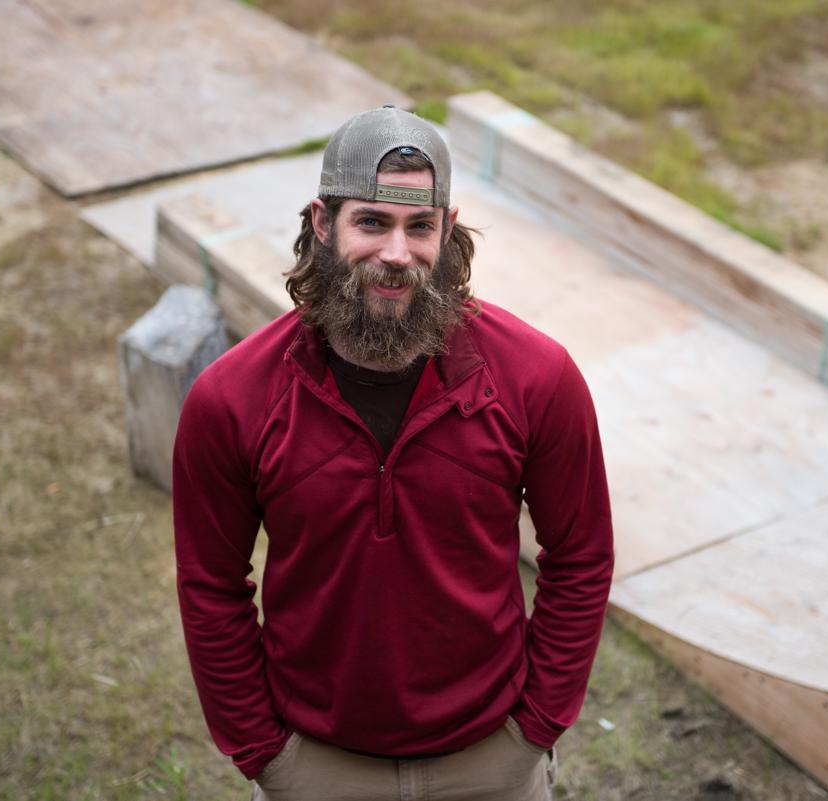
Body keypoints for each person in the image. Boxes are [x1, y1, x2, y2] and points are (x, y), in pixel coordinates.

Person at [172, 105, 614, 801]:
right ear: (323, 223)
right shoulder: (231, 399)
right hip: (316, 765)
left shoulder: (537, 376)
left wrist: (535, 727)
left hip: (491, 761)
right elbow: (210, 585)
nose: (397, 253)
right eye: (372, 222)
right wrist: (265, 752)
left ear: (448, 227)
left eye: (419, 226)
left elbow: (582, 556)